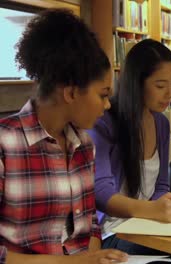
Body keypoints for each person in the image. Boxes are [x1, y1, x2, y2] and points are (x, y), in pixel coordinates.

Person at [0, 9, 127, 264]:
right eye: (102, 94)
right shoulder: (6, 143)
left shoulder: (84, 144)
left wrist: (93, 257)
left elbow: (89, 224)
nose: (108, 105)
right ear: (70, 93)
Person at [88, 39, 171, 254]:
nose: (169, 92)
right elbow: (102, 194)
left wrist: (168, 205)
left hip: (147, 224)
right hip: (112, 232)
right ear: (137, 82)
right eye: (160, 85)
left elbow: (161, 186)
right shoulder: (103, 122)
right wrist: (152, 211)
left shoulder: (161, 123)